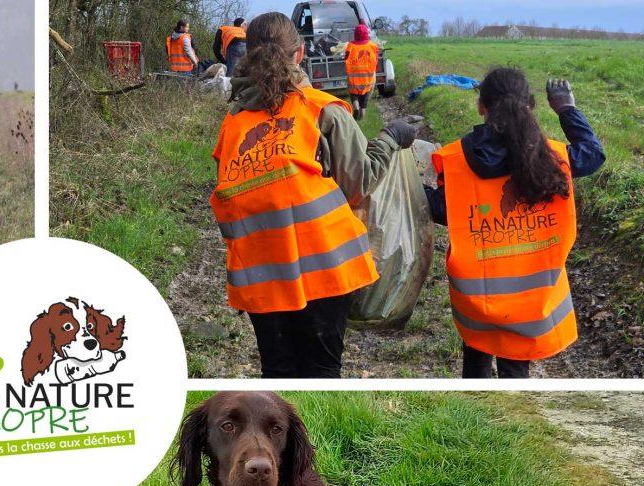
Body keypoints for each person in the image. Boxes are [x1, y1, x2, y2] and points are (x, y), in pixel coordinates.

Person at [209, 12, 415, 378]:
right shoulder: (322, 110)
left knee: (278, 371)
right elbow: (359, 182)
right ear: (300, 54)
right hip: (324, 270)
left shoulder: (233, 125)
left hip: (262, 274)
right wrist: (390, 139)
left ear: (246, 55)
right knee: (322, 371)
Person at [425, 68, 605, 378]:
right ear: (531, 105)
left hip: (477, 302)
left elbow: (442, 211)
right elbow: (592, 154)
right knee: (514, 372)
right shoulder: (553, 159)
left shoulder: (457, 160)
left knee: (476, 362)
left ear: (482, 106)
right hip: (531, 306)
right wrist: (567, 109)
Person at [343, 24, 379, 121]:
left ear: (355, 34)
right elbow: (376, 60)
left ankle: (355, 106)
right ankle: (363, 109)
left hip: (354, 78)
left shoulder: (350, 46)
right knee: (367, 93)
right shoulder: (373, 46)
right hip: (368, 78)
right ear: (366, 34)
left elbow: (345, 58)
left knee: (353, 92)